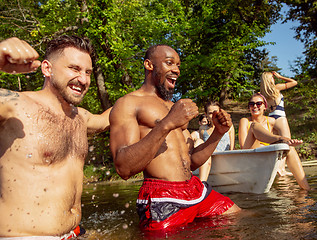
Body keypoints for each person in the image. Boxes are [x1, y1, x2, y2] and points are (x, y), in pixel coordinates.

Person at [109, 44, 241, 231]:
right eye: (169, 63)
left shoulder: (173, 106)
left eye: (178, 65)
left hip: (194, 189)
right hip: (162, 197)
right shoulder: (128, 103)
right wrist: (167, 123)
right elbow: (123, 167)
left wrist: (218, 133)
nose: (176, 70)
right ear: (149, 65)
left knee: (241, 218)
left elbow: (190, 162)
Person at [0, 36, 111, 239]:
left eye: (87, 72)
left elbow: (108, 119)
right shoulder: (12, 106)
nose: (84, 80)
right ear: (47, 69)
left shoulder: (81, 117)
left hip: (74, 233)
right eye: (74, 69)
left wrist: (148, 98)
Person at [238, 93, 310, 191]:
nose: (255, 106)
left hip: (267, 156)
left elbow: (284, 126)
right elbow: (243, 147)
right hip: (250, 155)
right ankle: (280, 139)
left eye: (259, 103)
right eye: (251, 104)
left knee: (290, 149)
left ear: (265, 107)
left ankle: (306, 189)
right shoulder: (245, 121)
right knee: (254, 126)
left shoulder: (271, 121)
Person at [260, 71, 297, 176]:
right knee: (287, 143)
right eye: (272, 77)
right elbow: (294, 82)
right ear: (269, 79)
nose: (274, 79)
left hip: (271, 118)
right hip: (280, 117)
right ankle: (281, 169)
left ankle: (277, 168)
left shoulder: (262, 94)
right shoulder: (277, 88)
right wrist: (281, 76)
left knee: (277, 145)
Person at [198, 101, 235, 181]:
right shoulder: (202, 129)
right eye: (210, 113)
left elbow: (232, 148)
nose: (213, 115)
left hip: (224, 159)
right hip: (210, 159)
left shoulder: (229, 126)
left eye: (216, 112)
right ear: (206, 114)